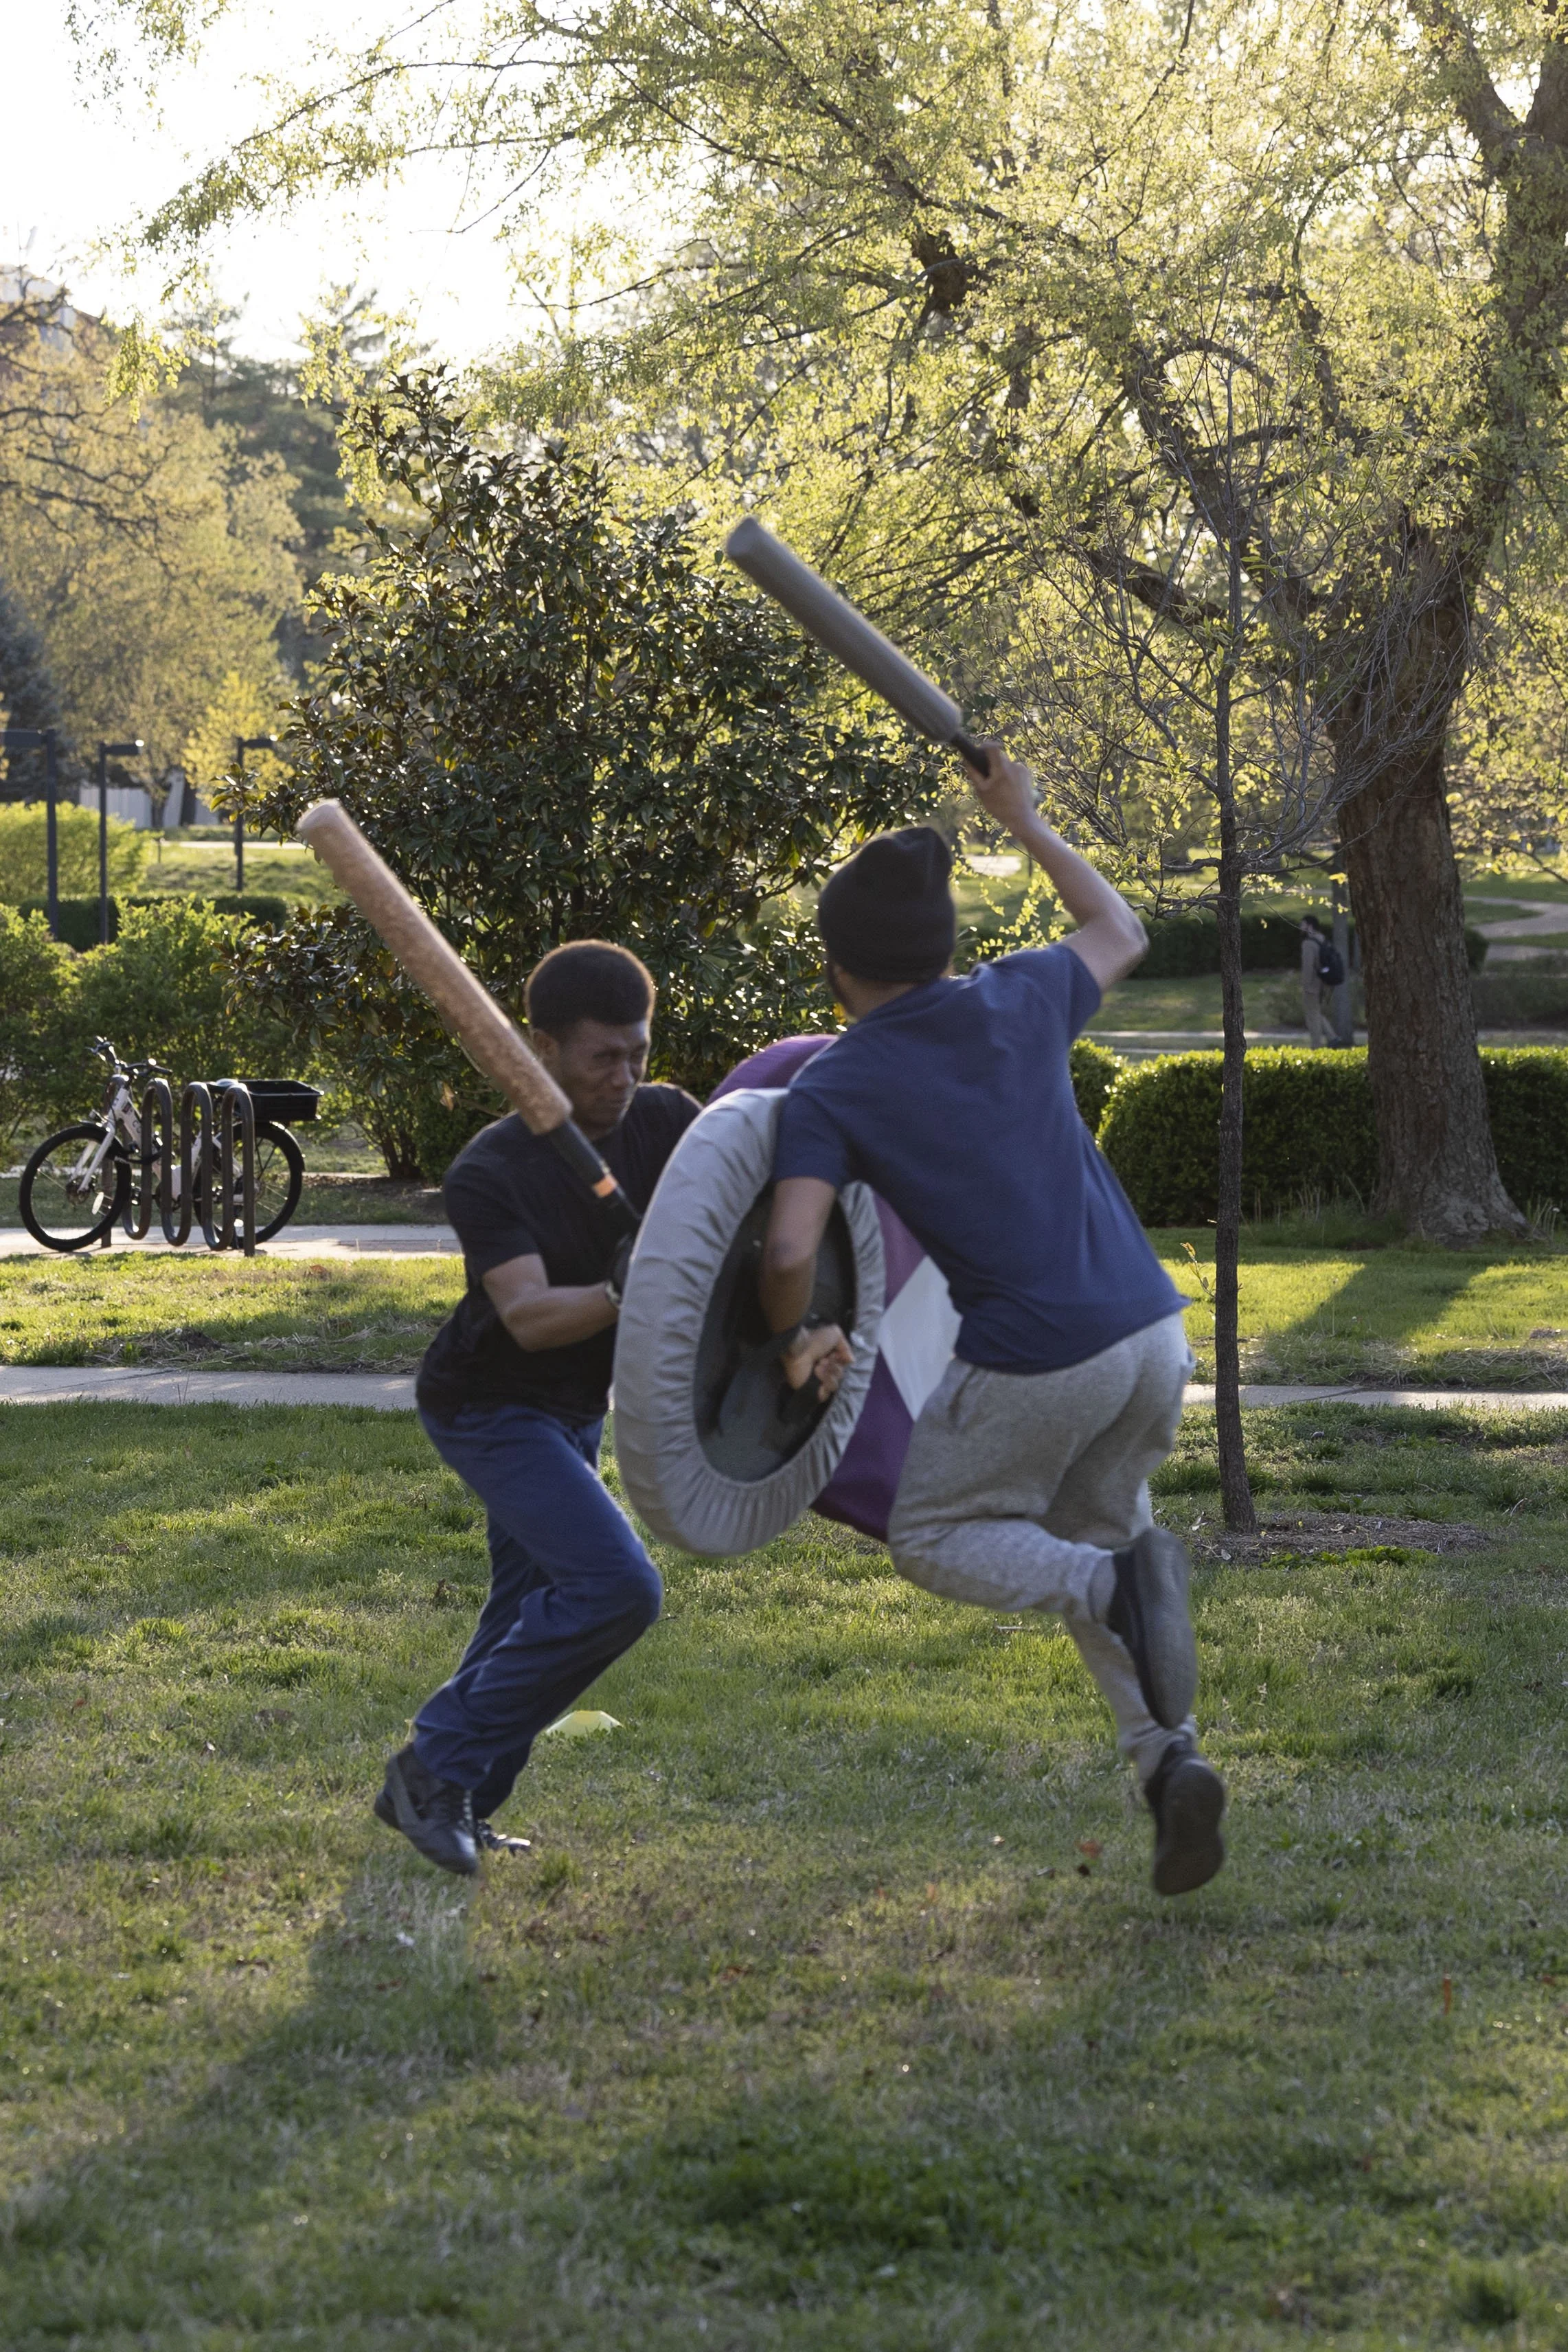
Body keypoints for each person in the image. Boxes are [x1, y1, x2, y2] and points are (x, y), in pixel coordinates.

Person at [758, 747, 1227, 1896]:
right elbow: (1118, 929)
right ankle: (1169, 1762)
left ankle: (1115, 1590)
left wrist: (788, 1331)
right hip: (1149, 1338)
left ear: (835, 969)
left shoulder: (833, 1084)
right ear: (943, 948)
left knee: (943, 1537)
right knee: (1089, 1538)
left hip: (1035, 1355)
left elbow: (782, 1247)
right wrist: (1022, 820)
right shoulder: (1019, 992)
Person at [376, 941, 700, 1875]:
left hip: (573, 1406)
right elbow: (525, 1318)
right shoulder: (492, 1169)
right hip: (488, 1404)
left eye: (637, 1052)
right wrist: (625, 1290)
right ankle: (430, 1765)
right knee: (615, 1589)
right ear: (541, 1046)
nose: (625, 1076)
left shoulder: (664, 1120)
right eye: (603, 1056)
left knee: (527, 1604)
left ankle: (459, 1800)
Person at [1299, 914, 1330, 1048]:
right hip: (1324, 982)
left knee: (1313, 1016)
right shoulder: (1322, 940)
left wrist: (1305, 985)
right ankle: (1333, 1037)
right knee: (1317, 1013)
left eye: (1303, 924)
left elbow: (1308, 967)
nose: (1301, 927)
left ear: (1309, 926)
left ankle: (1316, 1045)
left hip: (1312, 985)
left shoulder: (1308, 944)